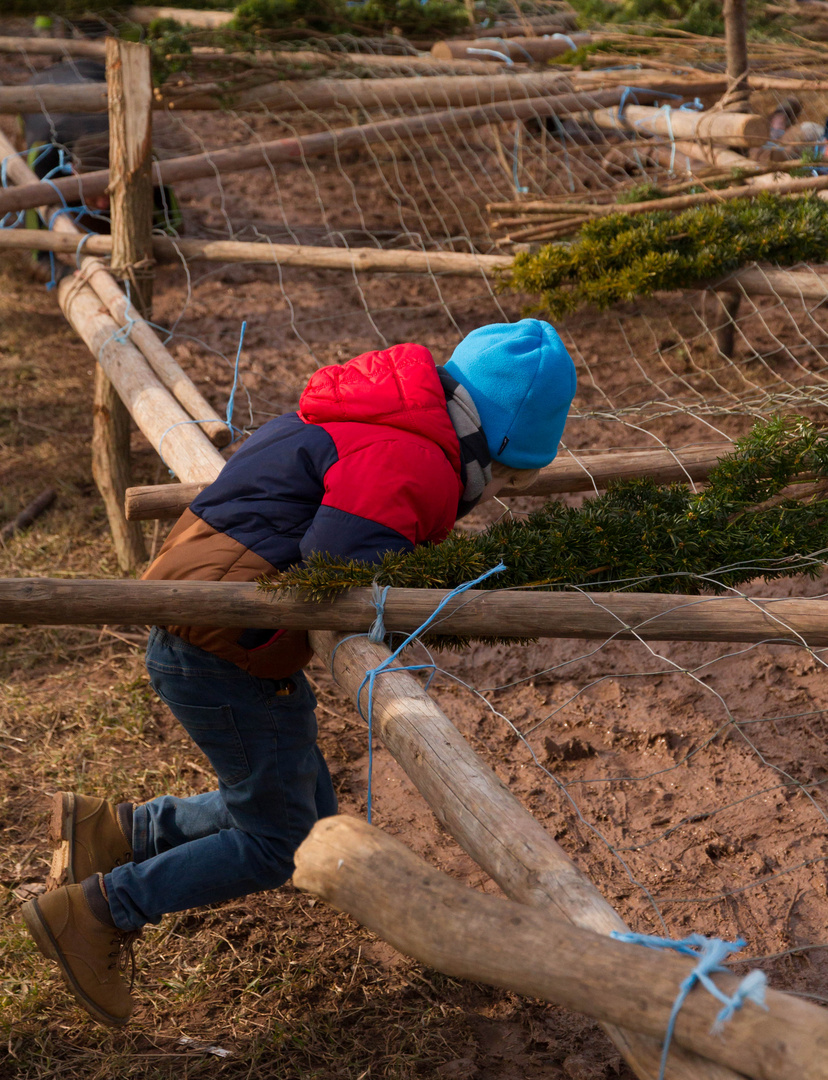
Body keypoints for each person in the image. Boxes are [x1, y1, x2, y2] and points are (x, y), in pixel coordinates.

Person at [21, 320, 577, 1027]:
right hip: (228, 643)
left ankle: (117, 831)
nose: (493, 493)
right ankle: (100, 911)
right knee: (280, 842)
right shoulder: (415, 456)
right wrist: (416, 595)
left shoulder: (379, 414)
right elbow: (339, 555)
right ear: (489, 446)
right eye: (502, 477)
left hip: (218, 626)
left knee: (303, 806)